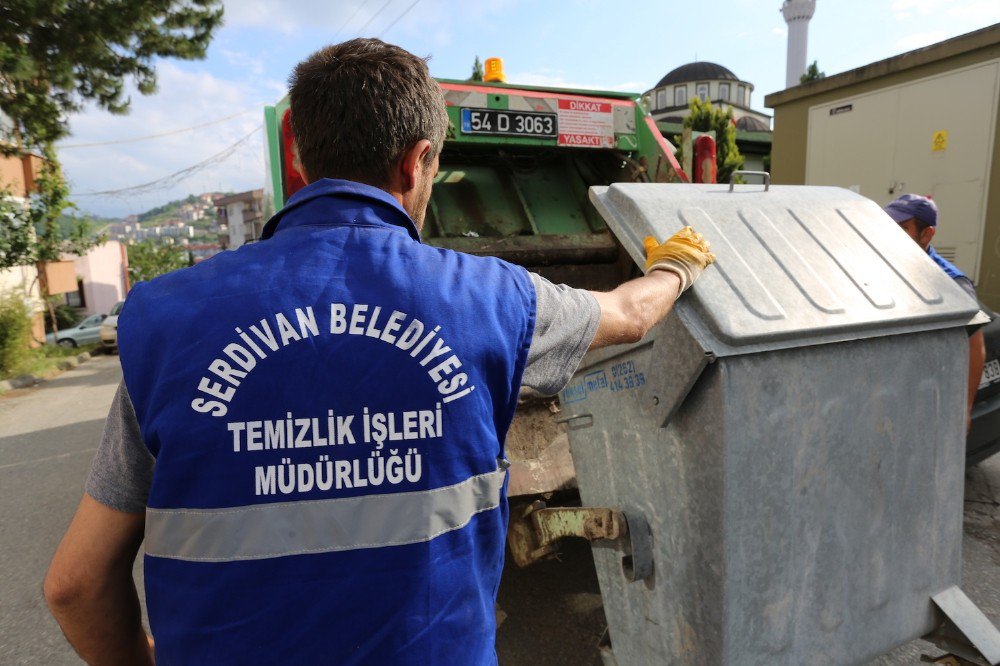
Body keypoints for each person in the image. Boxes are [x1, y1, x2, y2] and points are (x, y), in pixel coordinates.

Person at [43, 38, 715, 665]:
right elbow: (630, 315)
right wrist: (678, 265)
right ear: (416, 160)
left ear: (301, 158)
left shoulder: (165, 319)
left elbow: (74, 586)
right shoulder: (492, 299)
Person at [884, 193, 986, 430]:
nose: (891, 233)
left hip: (927, 403)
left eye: (903, 228)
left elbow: (974, 345)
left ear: (927, 234)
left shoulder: (950, 282)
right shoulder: (881, 267)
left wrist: (965, 408)